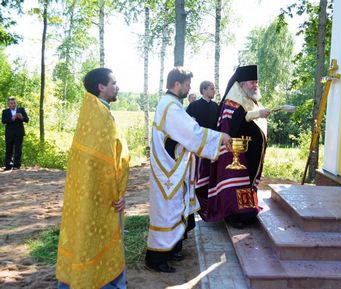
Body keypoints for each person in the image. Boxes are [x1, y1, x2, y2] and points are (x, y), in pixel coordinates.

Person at [145, 67, 232, 273]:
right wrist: (221, 137)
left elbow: (181, 132)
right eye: (187, 84)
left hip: (171, 167)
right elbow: (192, 133)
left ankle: (169, 251)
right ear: (177, 84)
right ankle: (155, 258)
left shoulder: (171, 104)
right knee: (167, 211)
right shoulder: (171, 106)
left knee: (173, 209)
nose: (189, 88)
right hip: (168, 170)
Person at [56, 68, 130, 289]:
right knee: (102, 240)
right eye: (114, 83)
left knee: (83, 238)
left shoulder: (92, 112)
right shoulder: (100, 116)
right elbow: (108, 163)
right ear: (101, 87)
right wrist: (116, 194)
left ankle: (73, 282)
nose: (117, 86)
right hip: (102, 197)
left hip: (86, 194)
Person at [195, 65, 270, 229]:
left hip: (250, 153)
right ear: (241, 84)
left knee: (246, 183)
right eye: (252, 82)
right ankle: (233, 215)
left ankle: (247, 212)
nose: (255, 85)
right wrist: (256, 114)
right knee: (235, 183)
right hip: (234, 153)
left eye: (256, 82)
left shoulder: (251, 101)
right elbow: (233, 124)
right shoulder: (232, 101)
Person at [2, 97, 29, 170]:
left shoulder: (21, 110)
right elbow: (3, 121)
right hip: (9, 133)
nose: (13, 104)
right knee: (9, 149)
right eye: (11, 103)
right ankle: (8, 165)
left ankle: (16, 165)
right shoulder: (5, 111)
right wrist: (12, 118)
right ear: (8, 104)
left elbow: (27, 120)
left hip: (19, 133)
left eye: (14, 103)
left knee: (18, 149)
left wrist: (22, 117)